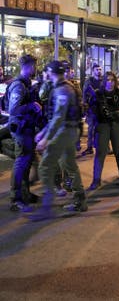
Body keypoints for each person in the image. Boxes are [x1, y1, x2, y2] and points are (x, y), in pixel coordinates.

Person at [32, 60, 87, 220]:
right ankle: (79, 200)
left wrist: (46, 139)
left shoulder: (63, 90)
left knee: (45, 166)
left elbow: (58, 117)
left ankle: (47, 206)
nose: (44, 74)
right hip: (68, 131)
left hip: (64, 132)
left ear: (51, 72)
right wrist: (43, 132)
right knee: (69, 165)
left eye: (46, 71)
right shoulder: (65, 87)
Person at [7, 55, 42, 212]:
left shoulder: (26, 84)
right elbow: (13, 109)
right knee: (21, 164)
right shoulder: (19, 85)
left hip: (28, 129)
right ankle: (16, 199)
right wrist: (31, 105)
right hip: (21, 131)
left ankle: (25, 194)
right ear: (28, 66)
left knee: (27, 164)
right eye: (34, 66)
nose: (36, 69)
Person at [87, 71, 119, 190]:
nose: (110, 83)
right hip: (102, 125)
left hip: (116, 125)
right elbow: (90, 110)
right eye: (108, 80)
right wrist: (98, 112)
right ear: (104, 81)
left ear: (115, 81)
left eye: (112, 80)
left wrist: (117, 114)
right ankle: (96, 180)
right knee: (100, 153)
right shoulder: (98, 94)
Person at [81, 63, 103, 156]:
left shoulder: (103, 81)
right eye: (97, 69)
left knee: (102, 129)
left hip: (101, 108)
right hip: (91, 108)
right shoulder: (89, 81)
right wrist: (85, 107)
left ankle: (103, 147)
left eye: (100, 69)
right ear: (93, 71)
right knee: (91, 130)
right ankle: (89, 147)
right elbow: (85, 94)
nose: (99, 71)